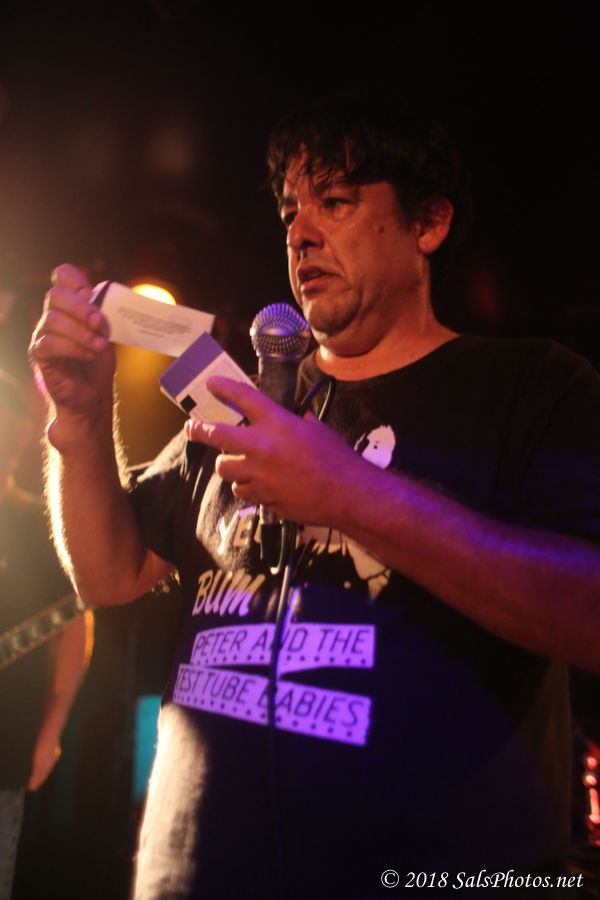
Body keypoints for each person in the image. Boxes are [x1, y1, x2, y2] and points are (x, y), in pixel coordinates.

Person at [29, 98, 600, 899]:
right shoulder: (243, 399)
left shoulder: (531, 387)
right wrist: (82, 422)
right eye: (290, 210)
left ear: (428, 223)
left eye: (334, 202)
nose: (299, 232)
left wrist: (350, 494)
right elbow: (110, 574)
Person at [0, 369, 92, 900]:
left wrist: (51, 732)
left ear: (19, 437)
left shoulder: (41, 527)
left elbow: (74, 626)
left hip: (5, 750)